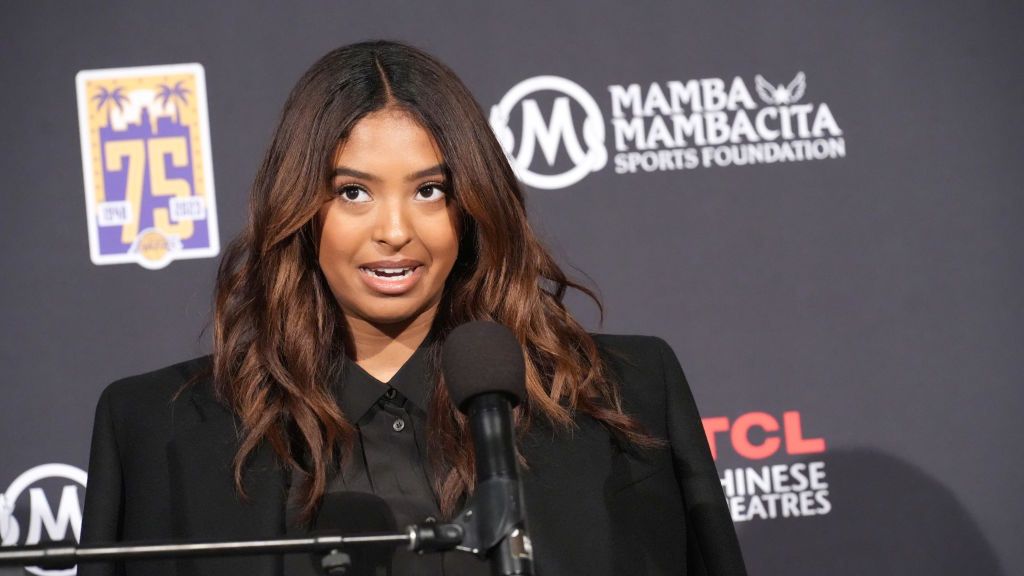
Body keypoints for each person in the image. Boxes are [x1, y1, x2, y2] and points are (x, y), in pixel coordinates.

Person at [79, 40, 747, 576]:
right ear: (300, 213)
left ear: (472, 207)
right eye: (352, 193)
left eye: (429, 190)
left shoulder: (626, 394)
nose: (394, 229)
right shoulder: (157, 430)